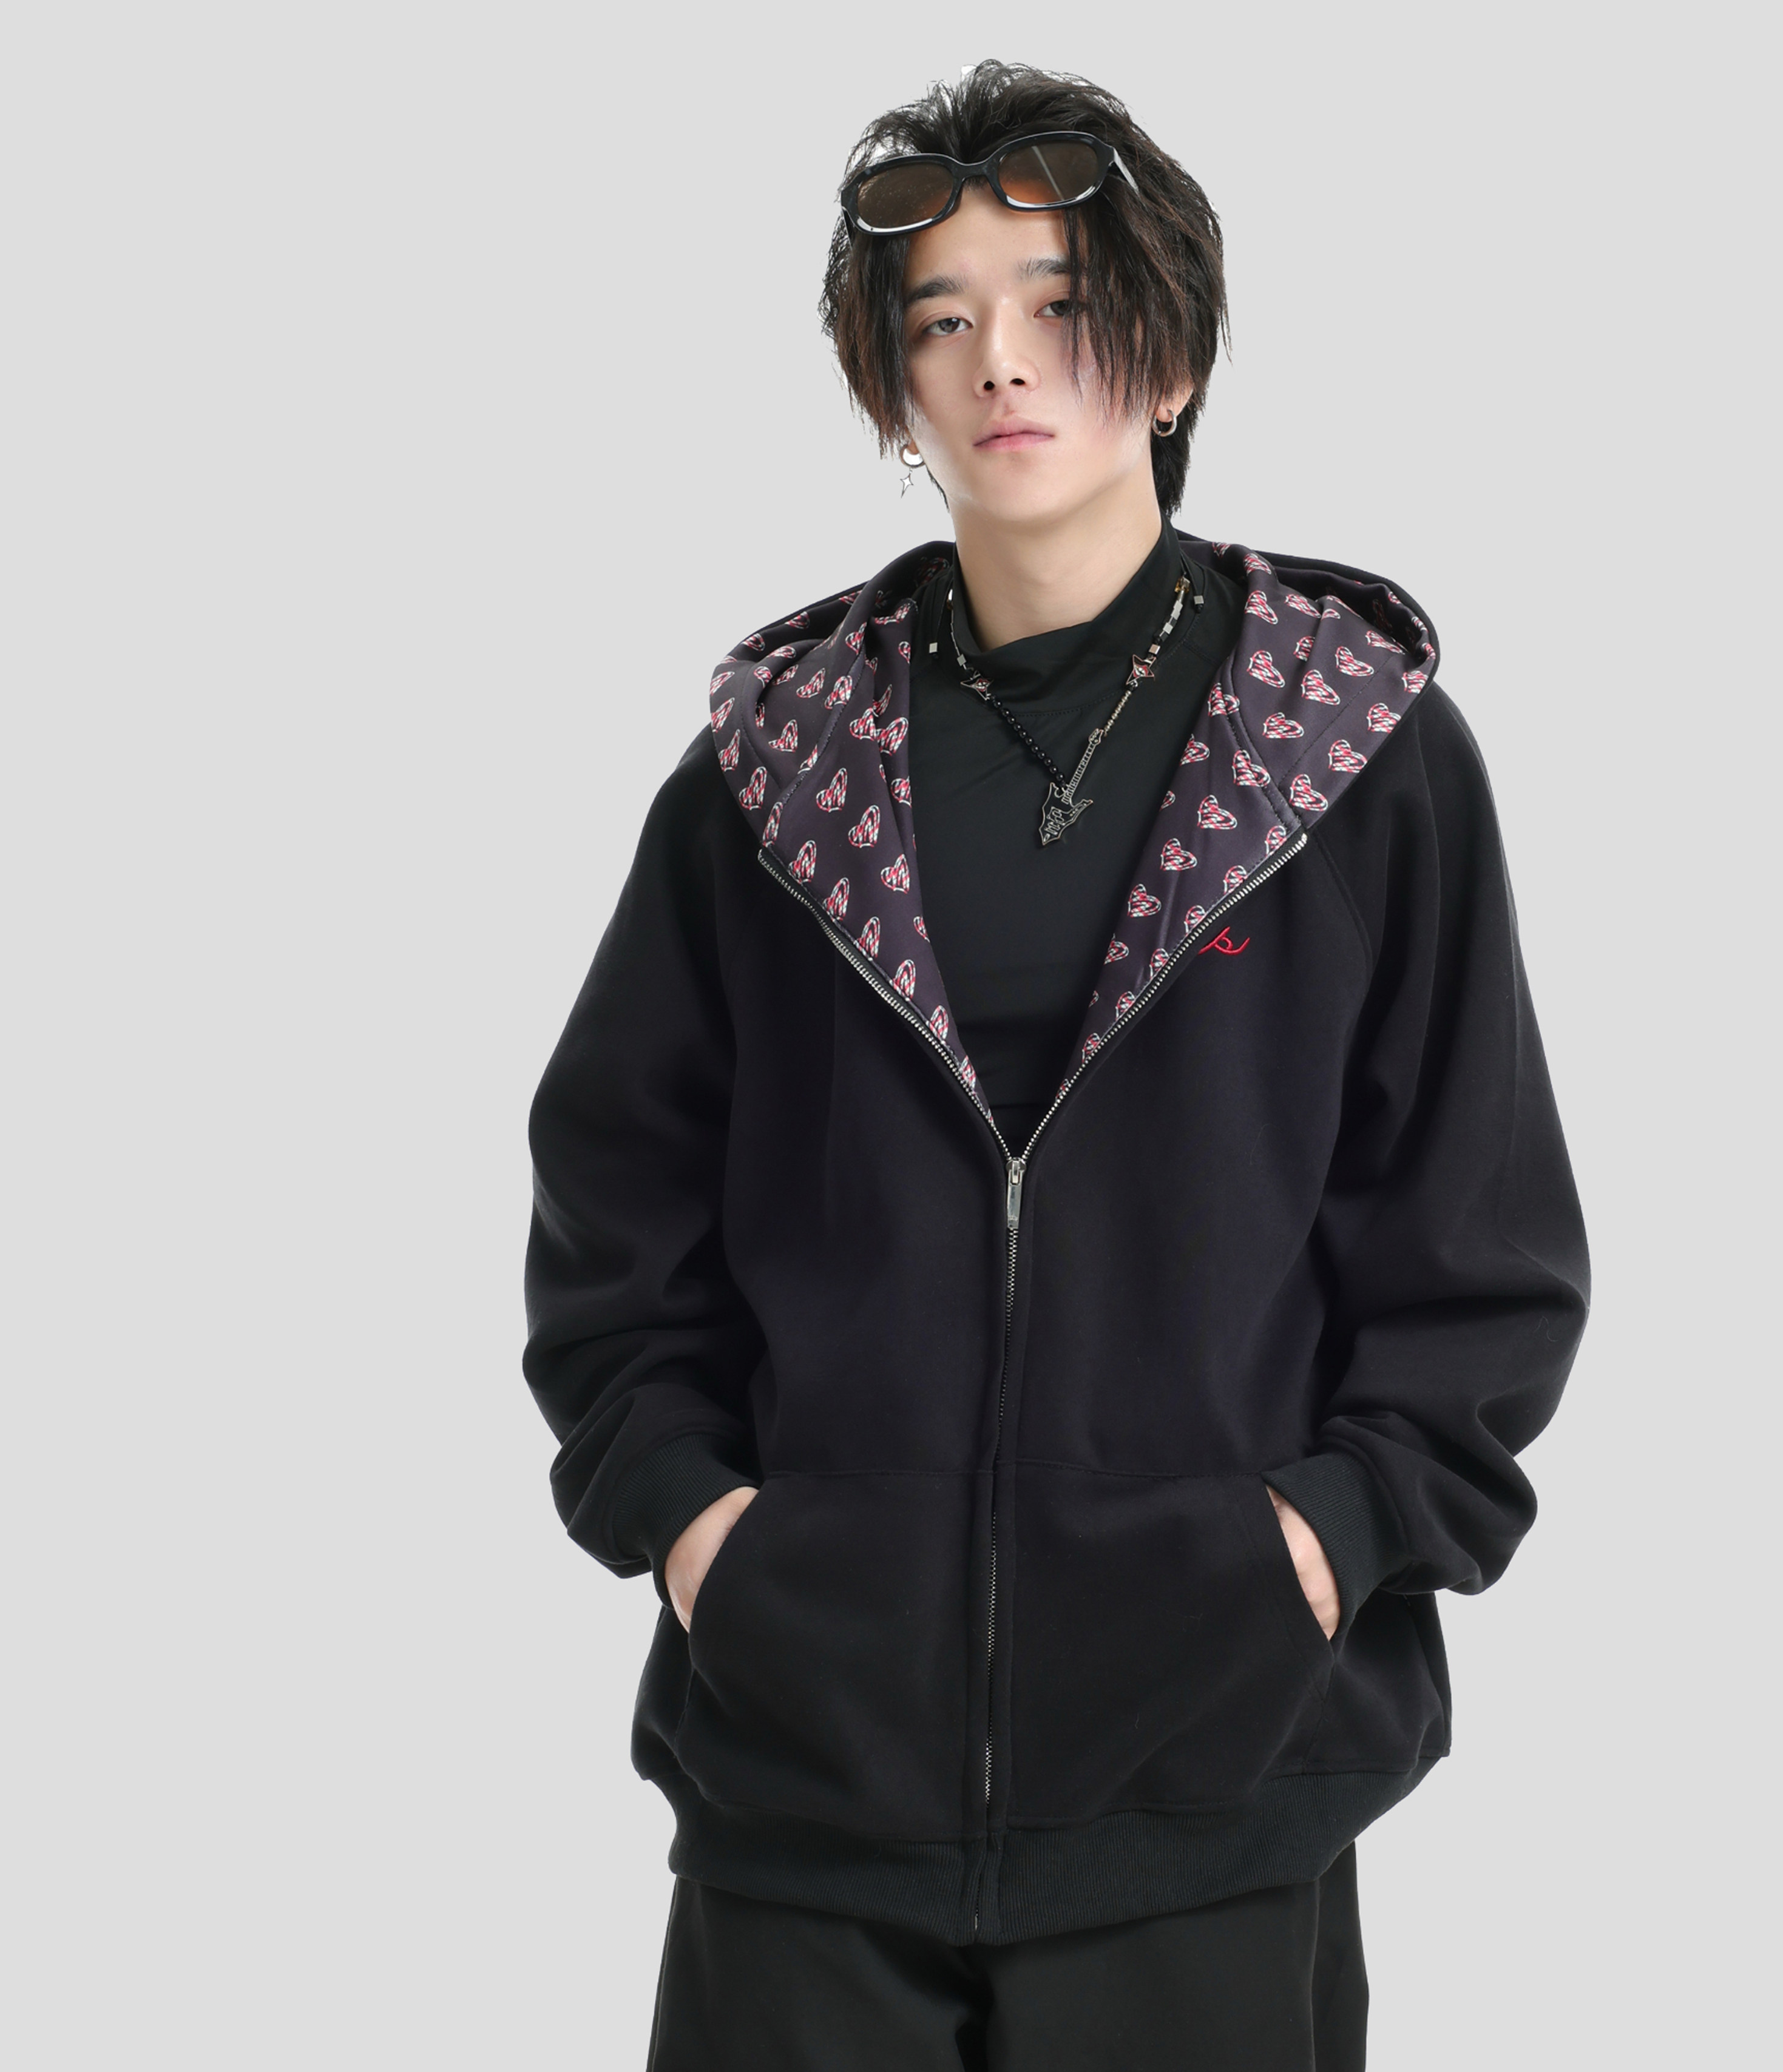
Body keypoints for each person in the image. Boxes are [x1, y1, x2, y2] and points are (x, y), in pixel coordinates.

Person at [523, 59, 1589, 2071]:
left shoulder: (1349, 755)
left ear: (1168, 359)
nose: (999, 359)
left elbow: (1482, 1236)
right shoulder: (776, 771)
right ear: (896, 393)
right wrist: (703, 1531)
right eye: (940, 319)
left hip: (1213, 1777)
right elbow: (616, 1202)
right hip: (805, 1792)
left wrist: (1323, 1545)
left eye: (1060, 304)